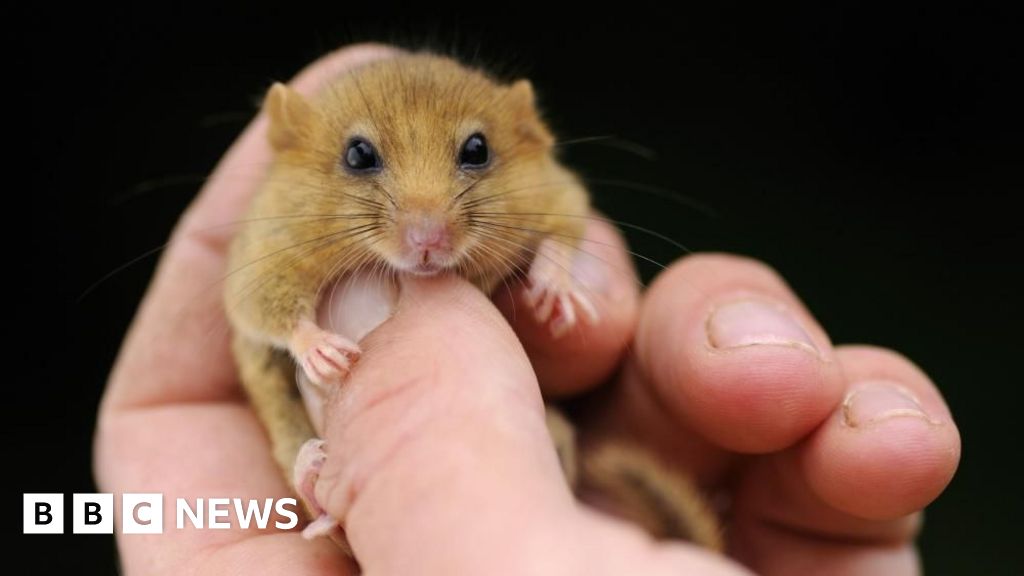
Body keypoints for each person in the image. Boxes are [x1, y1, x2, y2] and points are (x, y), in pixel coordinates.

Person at [95, 44, 960, 575]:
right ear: (296, 148)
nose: (427, 222)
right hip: (300, 445)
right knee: (294, 423)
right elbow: (251, 303)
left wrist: (549, 257)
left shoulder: (523, 191)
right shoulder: (284, 222)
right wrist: (303, 330)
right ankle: (315, 477)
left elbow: (564, 203)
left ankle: (573, 495)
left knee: (558, 425)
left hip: (543, 461)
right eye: (363, 161)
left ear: (519, 134)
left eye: (472, 154)